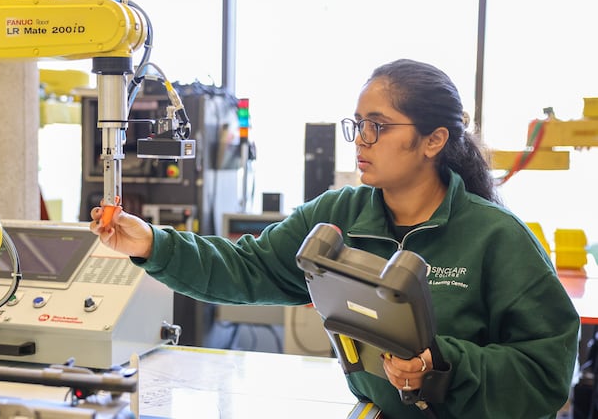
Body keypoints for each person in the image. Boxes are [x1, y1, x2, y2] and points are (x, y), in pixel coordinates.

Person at [90, 58, 580, 418]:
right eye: (358, 124)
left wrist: (447, 364)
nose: (361, 139)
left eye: (379, 126)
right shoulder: (339, 214)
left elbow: (547, 373)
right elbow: (248, 267)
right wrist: (153, 243)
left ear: (434, 141)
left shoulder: (496, 237)